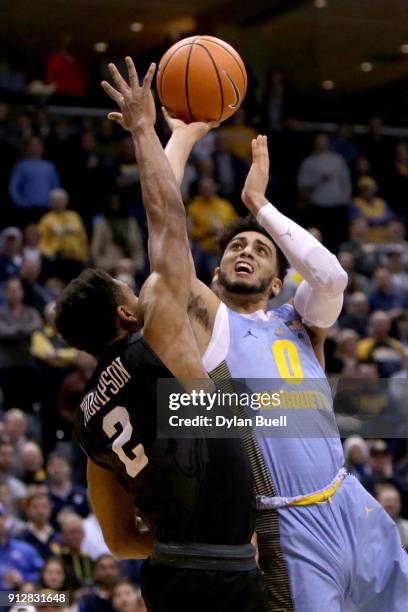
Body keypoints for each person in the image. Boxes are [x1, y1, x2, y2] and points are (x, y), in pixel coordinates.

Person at [161, 121, 408, 610]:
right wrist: (181, 141)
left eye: (260, 249)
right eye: (235, 247)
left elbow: (332, 275)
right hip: (289, 527)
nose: (246, 251)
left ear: (278, 283)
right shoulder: (211, 325)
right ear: (215, 273)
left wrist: (260, 206)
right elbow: (164, 227)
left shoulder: (301, 321)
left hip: (351, 502)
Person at [55, 58, 267, 612]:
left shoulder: (88, 426)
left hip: (168, 576)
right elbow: (167, 220)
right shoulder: (160, 343)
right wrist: (145, 130)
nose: (144, 292)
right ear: (128, 315)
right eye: (133, 292)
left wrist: (181, 135)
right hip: (227, 570)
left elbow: (122, 540)